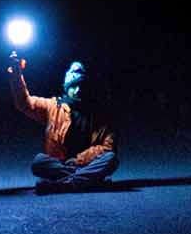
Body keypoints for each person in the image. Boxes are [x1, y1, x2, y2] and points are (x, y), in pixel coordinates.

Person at [7, 52, 119, 192]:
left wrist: (78, 161)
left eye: (81, 85)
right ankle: (88, 181)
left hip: (86, 163)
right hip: (60, 164)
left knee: (111, 159)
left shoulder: (99, 114)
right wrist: (16, 73)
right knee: (39, 162)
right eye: (73, 86)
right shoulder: (53, 106)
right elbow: (24, 103)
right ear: (67, 87)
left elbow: (108, 147)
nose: (78, 90)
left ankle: (64, 184)